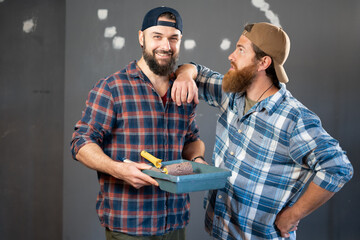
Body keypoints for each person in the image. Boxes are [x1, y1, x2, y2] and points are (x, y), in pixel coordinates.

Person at [171, 22, 353, 239]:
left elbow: (338, 167)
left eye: (240, 50)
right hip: (222, 232)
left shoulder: (293, 118)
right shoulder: (233, 94)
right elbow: (196, 71)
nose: (231, 56)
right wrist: (184, 76)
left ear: (263, 62)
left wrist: (293, 215)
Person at [71, 6, 206, 240]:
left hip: (175, 221)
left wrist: (197, 160)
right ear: (141, 37)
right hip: (129, 226)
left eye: (173, 38)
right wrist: (119, 170)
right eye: (157, 36)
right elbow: (80, 143)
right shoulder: (112, 88)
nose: (166, 46)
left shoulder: (183, 89)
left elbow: (191, 141)